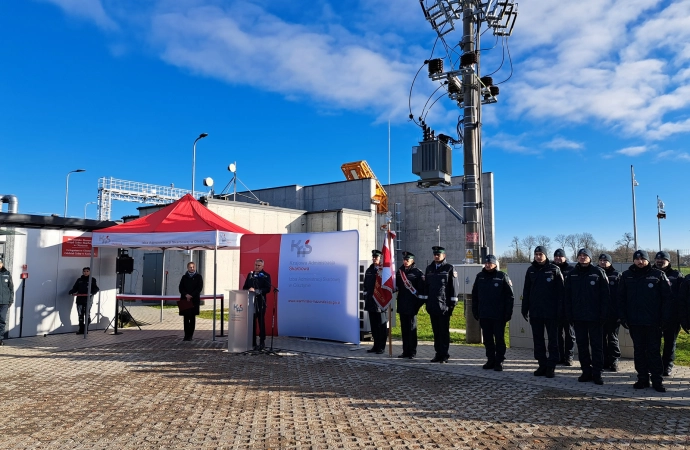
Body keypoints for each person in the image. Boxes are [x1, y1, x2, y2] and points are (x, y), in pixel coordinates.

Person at [618, 250, 673, 392]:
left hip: (653, 322)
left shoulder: (658, 275)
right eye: (636, 259)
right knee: (639, 351)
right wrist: (623, 317)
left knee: (654, 352)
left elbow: (667, 300)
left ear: (648, 260)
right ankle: (642, 378)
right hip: (635, 322)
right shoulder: (627, 276)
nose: (639, 261)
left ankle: (657, 380)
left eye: (642, 259)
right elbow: (621, 299)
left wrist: (664, 319)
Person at [564, 248, 610, 385]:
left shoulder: (598, 272)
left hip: (595, 317)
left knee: (597, 346)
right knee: (582, 345)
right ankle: (585, 371)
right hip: (578, 317)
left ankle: (597, 373)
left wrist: (604, 314)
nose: (583, 258)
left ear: (590, 258)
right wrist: (569, 315)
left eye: (585, 256)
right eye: (580, 256)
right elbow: (567, 297)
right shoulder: (572, 274)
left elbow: (605, 296)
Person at [522, 246, 564, 378]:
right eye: (536, 254)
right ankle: (542, 364)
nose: (538, 256)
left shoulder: (554, 270)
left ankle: (551, 366)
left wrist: (560, 311)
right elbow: (526, 291)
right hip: (536, 313)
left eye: (541, 254)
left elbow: (561, 293)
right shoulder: (530, 270)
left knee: (553, 341)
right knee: (538, 340)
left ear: (545, 255)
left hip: (551, 313)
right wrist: (525, 308)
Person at [471, 254, 514, 371]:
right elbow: (474, 295)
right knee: (488, 339)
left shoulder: (502, 276)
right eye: (486, 263)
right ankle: (490, 360)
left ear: (495, 264)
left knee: (499, 339)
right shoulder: (480, 277)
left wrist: (508, 313)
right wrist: (475, 310)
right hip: (484, 314)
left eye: (490, 263)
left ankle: (499, 360)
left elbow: (510, 297)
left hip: (498, 315)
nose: (488, 265)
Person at [424, 246, 460, 363]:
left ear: (444, 255)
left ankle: (444, 355)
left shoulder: (449, 268)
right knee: (436, 332)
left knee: (443, 332)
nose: (436, 256)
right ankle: (437, 353)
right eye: (435, 254)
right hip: (433, 306)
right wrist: (427, 303)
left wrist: (451, 306)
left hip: (444, 307)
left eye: (439, 254)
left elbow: (454, 288)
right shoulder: (429, 269)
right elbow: (426, 288)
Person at [654, 251, 684, 376]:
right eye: (657, 259)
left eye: (663, 259)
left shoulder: (676, 275)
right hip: (654, 315)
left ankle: (667, 366)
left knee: (670, 342)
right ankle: (655, 366)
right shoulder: (650, 274)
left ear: (669, 261)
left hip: (672, 316)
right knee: (653, 343)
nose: (660, 261)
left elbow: (682, 296)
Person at [395, 251, 425, 359]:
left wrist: (417, 305)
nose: (405, 261)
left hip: (412, 305)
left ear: (412, 261)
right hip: (402, 304)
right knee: (404, 330)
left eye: (407, 260)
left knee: (411, 330)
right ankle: (405, 351)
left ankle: (412, 352)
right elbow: (397, 286)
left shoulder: (417, 273)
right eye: (404, 259)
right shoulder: (400, 272)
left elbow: (421, 291)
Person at [598, 253, 621, 372]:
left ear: (610, 262)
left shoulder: (617, 275)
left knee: (612, 338)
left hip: (613, 314)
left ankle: (614, 361)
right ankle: (603, 361)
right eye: (601, 260)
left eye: (605, 260)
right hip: (599, 314)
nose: (603, 262)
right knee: (600, 339)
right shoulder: (595, 274)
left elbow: (621, 296)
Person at [242, 259, 272, 350]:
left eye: (259, 265)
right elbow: (244, 287)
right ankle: (252, 341)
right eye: (255, 265)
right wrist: (249, 289)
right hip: (250, 302)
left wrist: (257, 291)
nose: (256, 267)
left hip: (260, 302)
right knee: (252, 322)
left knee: (261, 322)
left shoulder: (266, 276)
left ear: (262, 266)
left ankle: (262, 342)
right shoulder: (250, 275)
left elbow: (267, 289)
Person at [553, 248, 575, 366]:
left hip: (568, 308)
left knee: (570, 334)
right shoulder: (551, 269)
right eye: (556, 256)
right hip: (555, 308)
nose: (558, 258)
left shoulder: (571, 270)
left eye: (560, 256)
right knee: (557, 334)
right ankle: (559, 356)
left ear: (565, 258)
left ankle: (569, 357)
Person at [363, 250, 387, 354]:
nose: (374, 259)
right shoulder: (369, 270)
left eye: (376, 257)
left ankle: (381, 347)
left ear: (380, 258)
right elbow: (365, 286)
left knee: (381, 326)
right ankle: (375, 345)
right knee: (373, 326)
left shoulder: (384, 271)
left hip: (380, 303)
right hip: (371, 302)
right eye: (373, 257)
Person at [68, 267, 99, 335]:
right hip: (80, 299)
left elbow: (96, 288)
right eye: (84, 271)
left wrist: (91, 293)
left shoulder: (92, 279)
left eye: (87, 271)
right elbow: (75, 288)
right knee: (80, 315)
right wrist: (71, 292)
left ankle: (86, 329)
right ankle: (81, 329)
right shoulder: (79, 280)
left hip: (88, 300)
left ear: (90, 272)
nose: (85, 272)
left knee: (87, 314)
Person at [178, 261, 203, 341]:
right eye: (190, 267)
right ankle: (186, 335)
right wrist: (186, 295)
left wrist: (191, 295)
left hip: (194, 300)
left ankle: (190, 335)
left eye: (193, 267)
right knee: (186, 318)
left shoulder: (198, 277)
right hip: (185, 300)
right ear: (187, 268)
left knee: (192, 318)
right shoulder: (184, 277)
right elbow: (181, 288)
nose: (192, 268)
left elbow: (199, 288)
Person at [0, 259, 14, 346]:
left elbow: (11, 288)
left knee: (1, 320)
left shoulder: (7, 273)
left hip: (4, 302)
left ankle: (0, 339)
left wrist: (11, 300)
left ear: (2, 264)